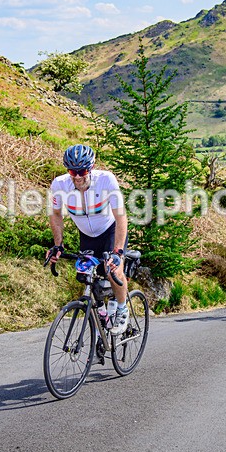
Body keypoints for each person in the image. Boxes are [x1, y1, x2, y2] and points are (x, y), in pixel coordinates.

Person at [47, 144, 130, 335]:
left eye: (82, 171)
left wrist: (118, 252)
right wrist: (58, 245)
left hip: (110, 231)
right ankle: (101, 312)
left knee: (113, 271)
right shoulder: (60, 185)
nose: (77, 177)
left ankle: (122, 307)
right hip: (87, 236)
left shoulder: (106, 180)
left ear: (91, 168)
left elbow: (121, 217)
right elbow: (56, 214)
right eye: (72, 172)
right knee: (84, 275)